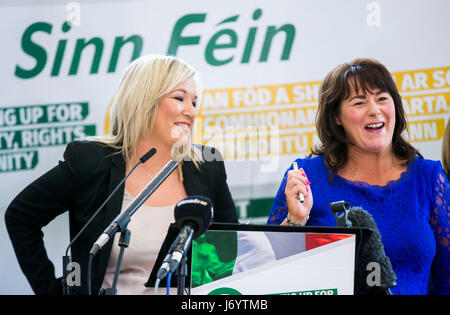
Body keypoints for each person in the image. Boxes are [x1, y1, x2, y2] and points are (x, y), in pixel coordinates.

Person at [5, 54, 238, 295]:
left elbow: (230, 250)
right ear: (145, 100)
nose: (190, 111)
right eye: (179, 98)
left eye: (194, 102)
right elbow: (21, 216)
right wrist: (53, 291)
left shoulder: (207, 165)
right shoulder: (91, 161)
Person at [267, 58, 450, 295]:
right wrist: (295, 221)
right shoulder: (305, 175)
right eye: (359, 102)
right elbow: (267, 271)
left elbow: (447, 280)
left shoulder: (429, 177)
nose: (374, 110)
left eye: (382, 98)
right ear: (337, 117)